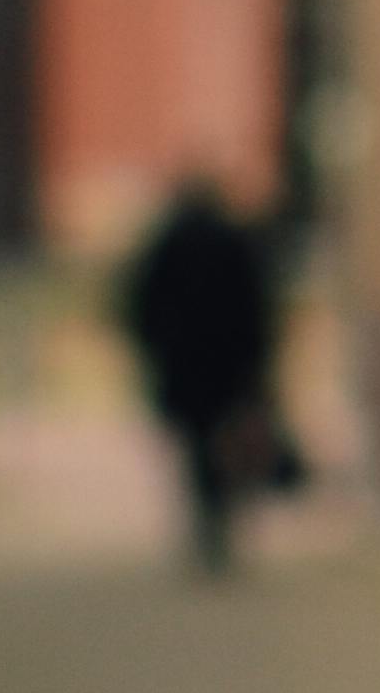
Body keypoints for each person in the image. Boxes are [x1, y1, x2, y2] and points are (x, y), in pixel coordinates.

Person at [119, 178, 278, 570]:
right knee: (224, 443)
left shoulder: (167, 244)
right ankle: (219, 520)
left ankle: (208, 521)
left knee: (196, 446)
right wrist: (257, 362)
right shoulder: (233, 241)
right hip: (227, 364)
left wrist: (153, 345)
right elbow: (256, 306)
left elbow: (140, 302)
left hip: (184, 363)